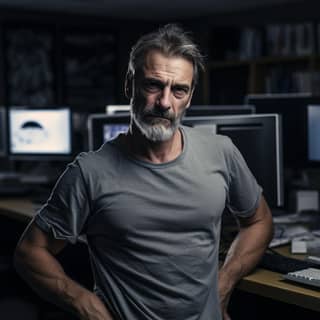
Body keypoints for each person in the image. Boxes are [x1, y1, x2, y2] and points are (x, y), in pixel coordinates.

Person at [14, 23, 273, 320]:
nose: (165, 102)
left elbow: (259, 220)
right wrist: (82, 302)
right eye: (153, 85)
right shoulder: (89, 172)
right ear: (130, 85)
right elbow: (30, 252)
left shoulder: (221, 151)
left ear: (189, 97)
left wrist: (225, 281)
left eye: (178, 90)